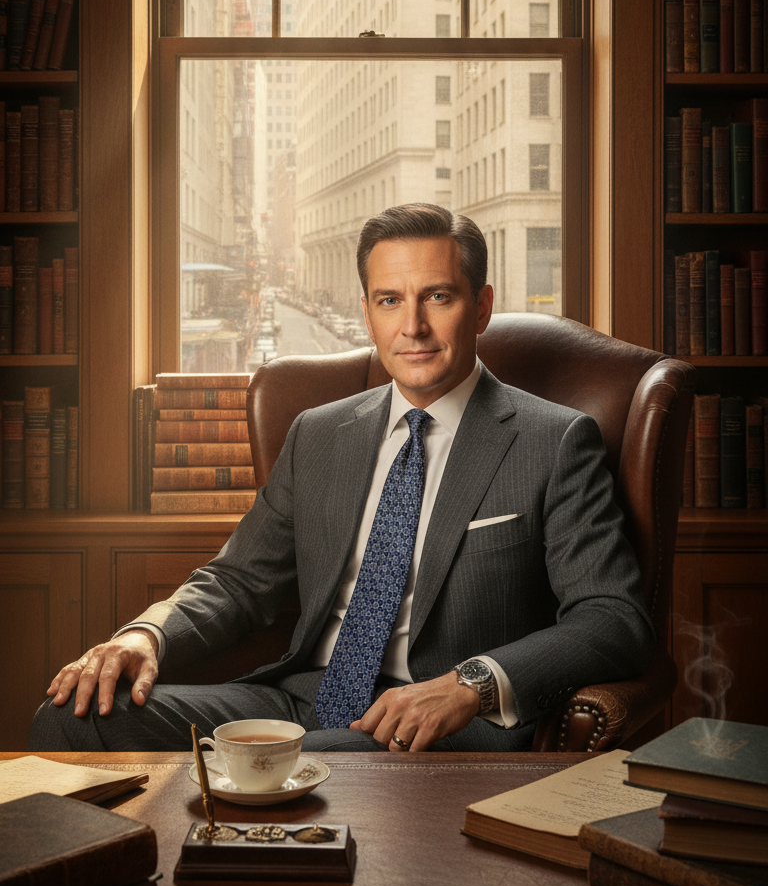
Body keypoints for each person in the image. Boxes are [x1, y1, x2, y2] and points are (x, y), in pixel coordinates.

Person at [30, 204, 655, 755]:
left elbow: (612, 618)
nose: (412, 326)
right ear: (367, 313)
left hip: (439, 727)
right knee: (73, 719)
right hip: (304, 702)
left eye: (438, 297)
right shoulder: (318, 433)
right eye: (390, 300)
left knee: (318, 763)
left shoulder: (554, 441)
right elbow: (238, 581)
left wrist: (472, 683)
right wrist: (148, 635)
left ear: (481, 306)